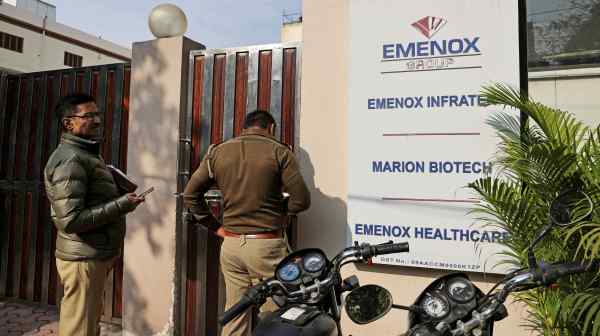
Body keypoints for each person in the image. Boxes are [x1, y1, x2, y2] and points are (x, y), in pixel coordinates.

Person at [183, 110, 311, 336]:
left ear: (245, 127)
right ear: (271, 128)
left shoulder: (218, 152)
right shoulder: (279, 152)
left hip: (231, 246)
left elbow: (190, 195)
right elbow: (301, 200)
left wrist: (215, 227)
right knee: (275, 315)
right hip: (266, 246)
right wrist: (280, 213)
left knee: (235, 312)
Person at [44, 93, 145, 336]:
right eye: (89, 116)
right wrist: (121, 205)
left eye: (98, 114)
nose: (98, 121)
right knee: (80, 328)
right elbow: (70, 220)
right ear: (68, 123)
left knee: (88, 323)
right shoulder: (70, 160)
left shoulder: (87, 154)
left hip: (92, 254)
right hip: (83, 258)